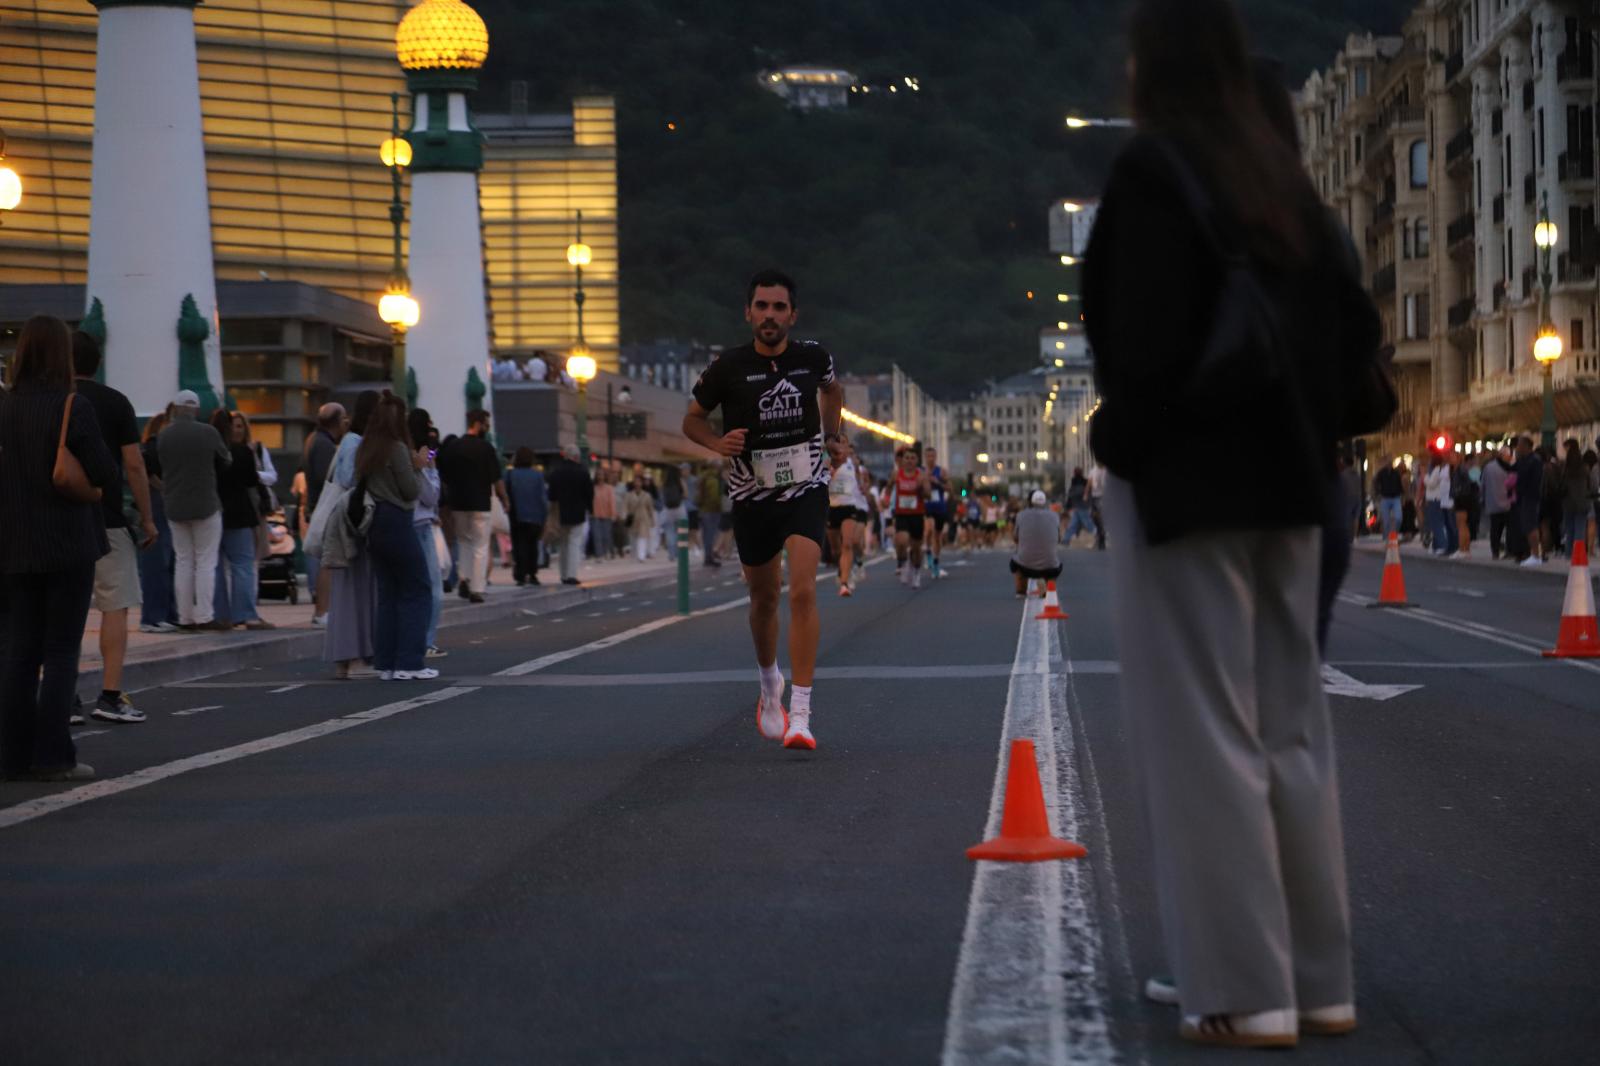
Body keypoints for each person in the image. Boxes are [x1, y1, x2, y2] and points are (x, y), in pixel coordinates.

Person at [1085, 0, 1368, 1045]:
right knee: (1293, 729)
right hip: (1295, 486)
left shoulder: (1157, 175)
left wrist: (1123, 438)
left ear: (1148, 68)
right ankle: (1318, 977)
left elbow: (1140, 347)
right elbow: (1351, 328)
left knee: (1209, 735)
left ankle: (1244, 987)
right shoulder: (1279, 181)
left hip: (1196, 488)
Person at [682, 268, 845, 751]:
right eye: (762, 306)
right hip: (751, 497)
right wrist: (718, 442)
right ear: (748, 312)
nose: (770, 315)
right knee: (764, 600)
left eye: (779, 307)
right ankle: (768, 681)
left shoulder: (814, 358)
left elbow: (834, 391)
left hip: (806, 489)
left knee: (801, 593)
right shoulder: (727, 367)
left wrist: (833, 436)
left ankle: (801, 713)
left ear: (793, 314)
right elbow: (691, 420)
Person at [0, 315, 118, 781]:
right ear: (62, 355)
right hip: (67, 542)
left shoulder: (4, 408)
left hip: (13, 544)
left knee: (19, 651)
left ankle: (10, 756)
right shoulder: (73, 405)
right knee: (62, 649)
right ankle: (54, 756)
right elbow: (104, 472)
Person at [70, 330, 158, 723]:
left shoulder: (46, 400)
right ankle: (110, 694)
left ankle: (64, 697)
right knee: (115, 606)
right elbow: (134, 465)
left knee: (64, 609)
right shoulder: (116, 402)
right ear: (98, 360)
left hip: (58, 520)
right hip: (107, 519)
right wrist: (148, 517)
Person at [353, 395, 436, 680]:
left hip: (373, 523)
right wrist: (418, 465)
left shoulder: (367, 448)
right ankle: (410, 662)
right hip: (397, 520)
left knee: (388, 594)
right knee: (417, 589)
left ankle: (386, 663)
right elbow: (411, 491)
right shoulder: (397, 449)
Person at [157, 390, 232, 630]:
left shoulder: (164, 435)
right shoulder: (208, 433)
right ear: (197, 410)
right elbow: (226, 460)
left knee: (183, 561)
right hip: (206, 504)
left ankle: (185, 616)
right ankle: (204, 615)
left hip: (174, 505)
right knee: (205, 562)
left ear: (176, 408)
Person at [323, 390, 379, 678]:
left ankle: (344, 658)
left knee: (348, 590)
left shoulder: (348, 441)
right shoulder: (357, 443)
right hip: (355, 522)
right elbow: (348, 479)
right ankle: (357, 657)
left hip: (346, 520)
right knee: (358, 589)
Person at [437, 408, 507, 602]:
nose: (488, 428)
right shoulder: (486, 448)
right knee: (480, 546)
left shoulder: (454, 447)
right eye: (486, 424)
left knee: (464, 542)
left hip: (458, 503)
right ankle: (477, 587)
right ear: (478, 424)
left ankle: (464, 578)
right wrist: (505, 499)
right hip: (480, 503)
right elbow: (496, 478)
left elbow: (440, 466)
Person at [209, 408, 269, 629]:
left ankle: (220, 614)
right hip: (240, 513)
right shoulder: (242, 451)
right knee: (242, 564)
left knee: (214, 566)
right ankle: (244, 613)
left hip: (213, 512)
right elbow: (252, 480)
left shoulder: (210, 452)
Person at [406, 407, 446, 657]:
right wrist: (430, 468)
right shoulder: (416, 459)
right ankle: (425, 641)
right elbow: (430, 496)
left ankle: (414, 640)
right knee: (432, 589)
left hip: (407, 524)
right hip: (418, 525)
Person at [136, 410, 180, 634]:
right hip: (160, 508)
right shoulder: (155, 447)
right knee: (160, 564)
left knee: (163, 563)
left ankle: (163, 615)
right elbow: (149, 473)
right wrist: (167, 489)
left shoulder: (148, 447)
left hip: (158, 507)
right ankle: (156, 616)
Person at [303, 402, 345, 625]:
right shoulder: (324, 445)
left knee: (324, 561)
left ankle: (323, 609)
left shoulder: (315, 441)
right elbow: (328, 478)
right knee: (327, 562)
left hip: (317, 506)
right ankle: (322, 610)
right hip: (324, 508)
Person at [545, 444, 594, 585]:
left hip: (560, 511)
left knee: (563, 544)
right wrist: (590, 509)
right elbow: (589, 494)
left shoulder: (556, 472)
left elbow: (551, 495)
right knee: (574, 543)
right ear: (576, 456)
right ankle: (572, 574)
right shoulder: (583, 472)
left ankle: (564, 574)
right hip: (578, 512)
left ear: (565, 455)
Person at [826, 436, 867, 594]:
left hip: (849, 506)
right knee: (836, 549)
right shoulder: (827, 461)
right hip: (832, 507)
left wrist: (862, 486)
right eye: (840, 443)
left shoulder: (853, 463)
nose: (843, 446)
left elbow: (859, 482)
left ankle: (844, 582)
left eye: (845, 444)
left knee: (848, 544)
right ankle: (842, 568)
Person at [507, 447, 548, 586]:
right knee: (533, 545)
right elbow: (543, 498)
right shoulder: (537, 475)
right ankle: (532, 573)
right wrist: (544, 517)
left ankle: (520, 573)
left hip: (517, 515)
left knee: (519, 545)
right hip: (535, 516)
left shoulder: (510, 474)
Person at [891, 445, 930, 588]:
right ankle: (905, 562)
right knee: (902, 540)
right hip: (901, 513)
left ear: (917, 460)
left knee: (916, 548)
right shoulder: (896, 474)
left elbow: (928, 495)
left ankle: (916, 571)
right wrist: (885, 499)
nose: (909, 461)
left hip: (917, 514)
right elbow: (889, 487)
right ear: (903, 460)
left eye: (912, 458)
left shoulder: (921, 476)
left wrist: (921, 488)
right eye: (906, 458)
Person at [1010, 490, 1062, 597]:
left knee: (1016, 563)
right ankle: (1048, 587)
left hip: (1026, 566)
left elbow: (1015, 538)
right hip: (1050, 566)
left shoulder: (1020, 515)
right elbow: (1058, 539)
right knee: (1052, 564)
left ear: (1030, 502)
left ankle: (1021, 591)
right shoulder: (1054, 516)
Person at [1512, 436, 1544, 565]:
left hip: (1530, 497)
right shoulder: (1524, 460)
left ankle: (1536, 554)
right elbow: (1513, 470)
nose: (1517, 447)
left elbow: (1531, 480)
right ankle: (1534, 553)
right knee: (1527, 525)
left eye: (1519, 444)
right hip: (1524, 497)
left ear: (1526, 446)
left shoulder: (1534, 461)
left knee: (1531, 526)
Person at [1560, 439, 1592, 557]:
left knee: (1569, 529)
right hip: (1583, 501)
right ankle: (1579, 554)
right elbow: (1591, 485)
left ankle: (1569, 553)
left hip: (1568, 501)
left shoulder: (1565, 468)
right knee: (1580, 528)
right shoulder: (1585, 467)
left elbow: (1561, 485)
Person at [923, 447, 951, 577]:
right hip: (926, 506)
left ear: (936, 457)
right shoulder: (921, 472)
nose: (930, 459)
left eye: (932, 456)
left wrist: (937, 482)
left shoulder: (941, 472)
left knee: (937, 536)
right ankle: (928, 553)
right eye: (928, 456)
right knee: (928, 530)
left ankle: (936, 561)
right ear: (924, 457)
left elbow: (950, 489)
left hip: (939, 507)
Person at [1482, 446, 1513, 559]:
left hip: (1493, 503)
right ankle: (1509, 550)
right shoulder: (1510, 468)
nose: (1510, 458)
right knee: (1509, 530)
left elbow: (1483, 484)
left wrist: (1483, 499)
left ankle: (1495, 552)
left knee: (1495, 530)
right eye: (1509, 456)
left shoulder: (1488, 467)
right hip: (1508, 504)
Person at [696, 462, 725, 567]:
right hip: (712, 511)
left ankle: (708, 557)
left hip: (703, 510)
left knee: (706, 535)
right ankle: (709, 558)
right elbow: (714, 498)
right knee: (710, 535)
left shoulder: (703, 477)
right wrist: (720, 507)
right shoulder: (713, 480)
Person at [623, 476, 657, 561]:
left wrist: (652, 520)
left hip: (643, 518)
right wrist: (624, 517)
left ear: (642, 483)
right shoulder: (629, 495)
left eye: (639, 482)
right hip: (632, 518)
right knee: (633, 537)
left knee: (642, 537)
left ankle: (641, 555)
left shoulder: (647, 495)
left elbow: (650, 508)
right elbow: (625, 507)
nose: (637, 484)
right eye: (636, 481)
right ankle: (634, 554)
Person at [1062, 467, 1098, 545]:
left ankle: (1099, 535)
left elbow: (1071, 496)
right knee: (1074, 524)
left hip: (1079, 506)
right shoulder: (1085, 482)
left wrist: (1067, 507)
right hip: (1084, 506)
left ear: (1074, 473)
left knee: (1088, 523)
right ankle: (1065, 540)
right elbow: (1089, 494)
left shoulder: (1074, 482)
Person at [1373, 455, 1404, 539]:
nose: (1389, 462)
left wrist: (1402, 497)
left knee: (1398, 518)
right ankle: (1386, 537)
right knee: (1386, 520)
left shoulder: (1396, 472)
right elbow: (1375, 483)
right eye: (1388, 461)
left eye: (1391, 461)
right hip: (1385, 498)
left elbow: (1400, 485)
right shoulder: (1381, 473)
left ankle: (1394, 534)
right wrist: (1377, 494)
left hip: (1395, 497)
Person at [591, 467, 618, 562]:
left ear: (604, 476)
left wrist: (613, 514)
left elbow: (612, 502)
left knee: (606, 536)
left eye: (602, 474)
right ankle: (599, 555)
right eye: (598, 474)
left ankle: (606, 551)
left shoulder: (609, 488)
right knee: (597, 536)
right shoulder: (593, 488)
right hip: (595, 515)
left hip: (607, 515)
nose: (600, 476)